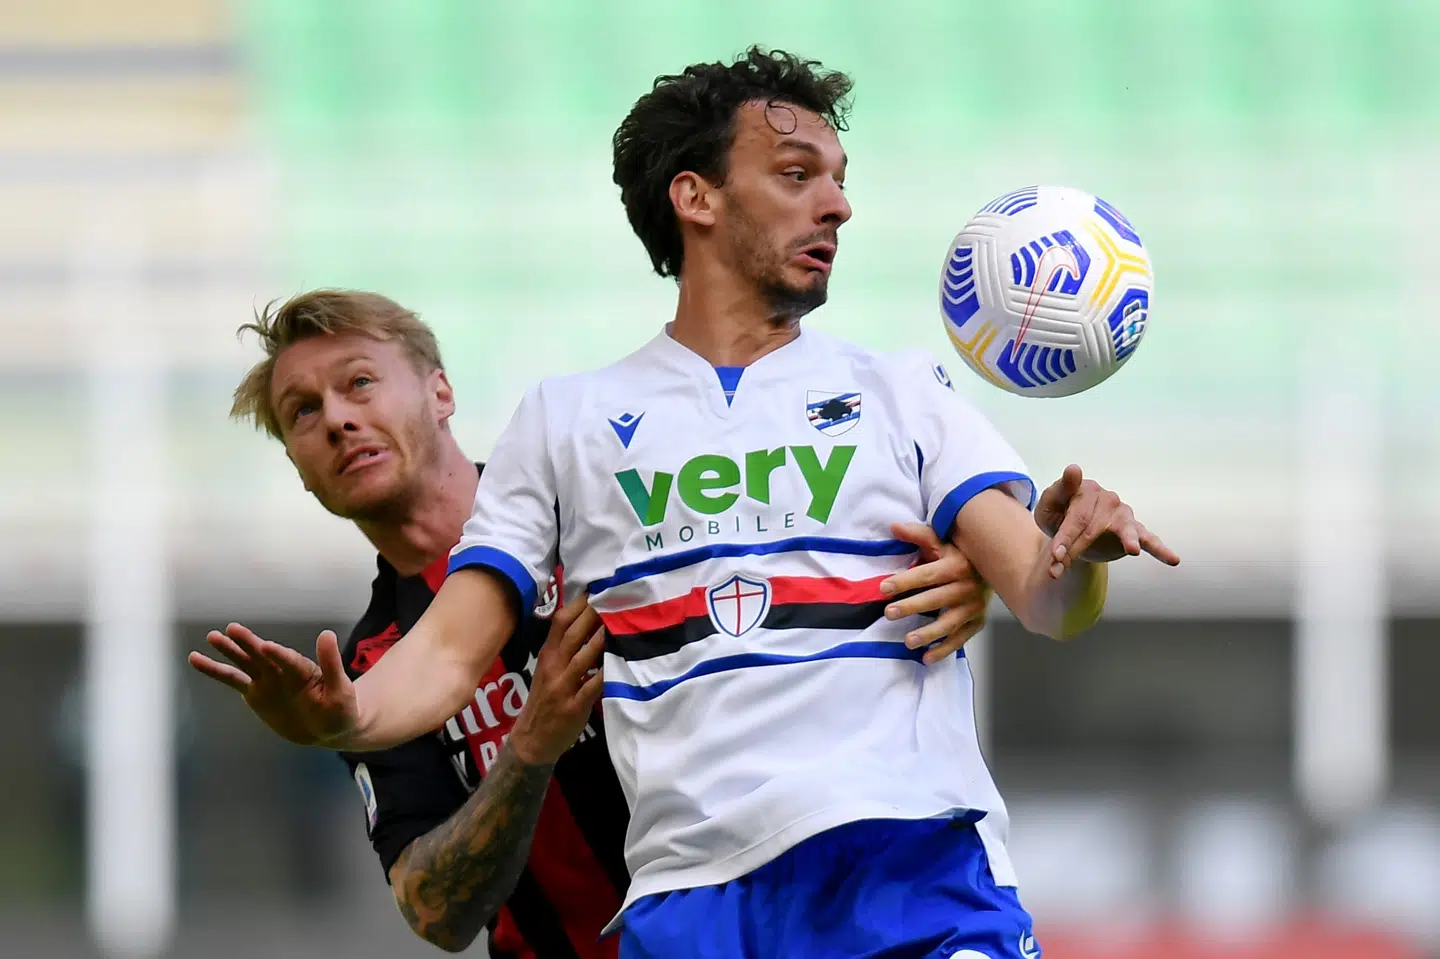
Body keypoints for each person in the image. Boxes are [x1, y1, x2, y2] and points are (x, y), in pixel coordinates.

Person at [196, 46, 1181, 957]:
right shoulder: (568, 420)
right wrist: (342, 713)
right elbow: (452, 648)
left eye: (840, 180)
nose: (835, 205)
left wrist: (1077, 555)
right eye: (799, 176)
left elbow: (1050, 600)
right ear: (696, 197)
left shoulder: (904, 388)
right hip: (691, 906)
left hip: (910, 870)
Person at [190, 289, 1002, 957]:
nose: (334, 418)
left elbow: (788, 577)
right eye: (302, 412)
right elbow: (435, 913)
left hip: (785, 918)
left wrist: (975, 572)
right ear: (297, 468)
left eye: (359, 383)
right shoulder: (372, 666)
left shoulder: (598, 508)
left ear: (440, 391)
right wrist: (530, 746)